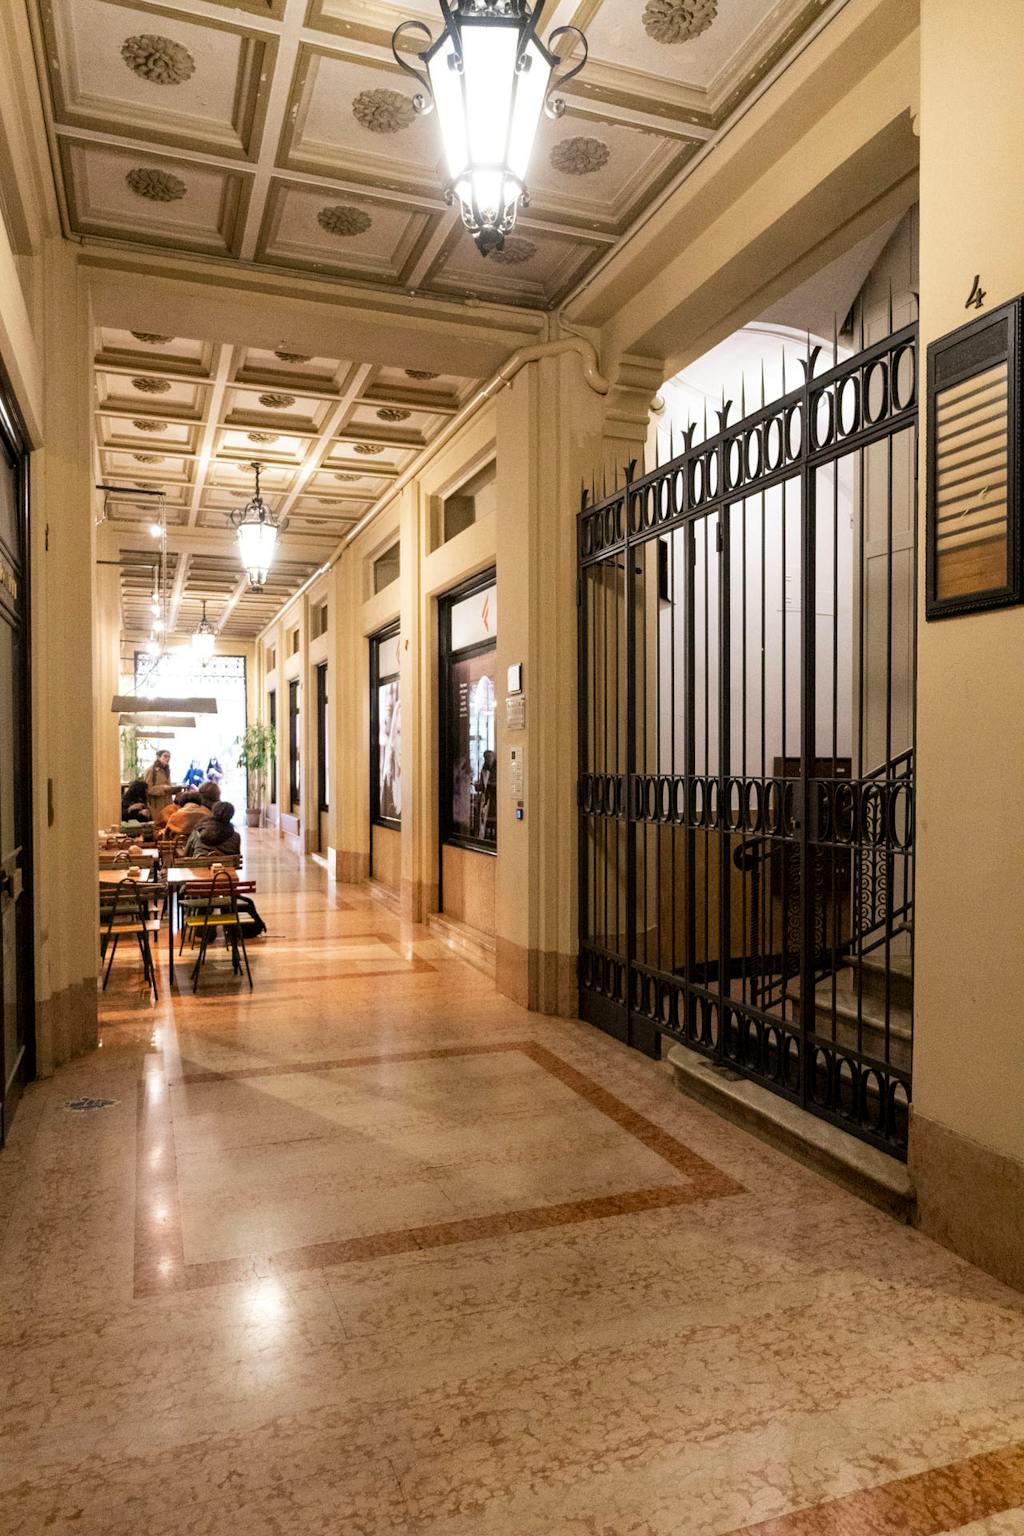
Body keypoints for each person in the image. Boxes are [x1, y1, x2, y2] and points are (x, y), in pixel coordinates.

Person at [144, 749, 174, 820]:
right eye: (165, 756)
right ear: (158, 757)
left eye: (169, 757)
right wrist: (163, 788)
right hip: (156, 804)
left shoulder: (167, 770)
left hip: (168, 803)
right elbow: (147, 788)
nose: (167, 758)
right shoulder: (151, 770)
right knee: (158, 823)